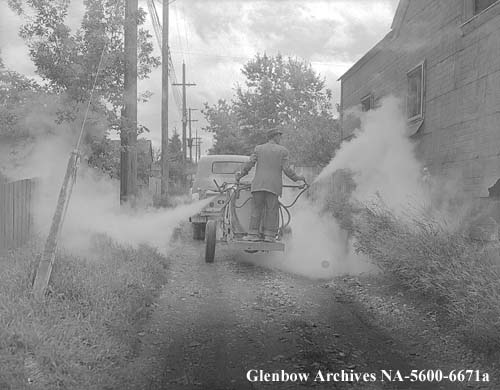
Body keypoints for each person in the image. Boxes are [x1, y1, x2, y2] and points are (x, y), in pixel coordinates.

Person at [235, 127, 306, 242]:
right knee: (272, 210)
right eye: (279, 136)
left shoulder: (258, 149)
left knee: (256, 209)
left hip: (258, 185)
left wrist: (240, 175)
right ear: (275, 136)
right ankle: (269, 236)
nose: (280, 138)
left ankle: (253, 234)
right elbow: (287, 170)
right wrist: (297, 178)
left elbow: (249, 164)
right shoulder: (283, 151)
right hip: (273, 186)